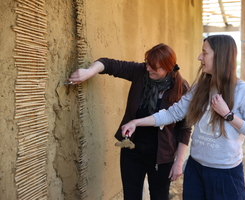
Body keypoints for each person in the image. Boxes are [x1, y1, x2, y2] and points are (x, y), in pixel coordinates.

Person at [121, 34, 245, 200]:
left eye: (204, 53)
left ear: (220, 56)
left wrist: (228, 115)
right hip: (195, 169)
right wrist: (136, 122)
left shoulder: (244, 91)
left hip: (225, 174)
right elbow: (172, 113)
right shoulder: (200, 88)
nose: (199, 57)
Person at [68, 43, 191, 200]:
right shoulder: (140, 72)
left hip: (162, 156)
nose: (148, 69)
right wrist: (88, 72)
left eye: (154, 67)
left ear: (167, 68)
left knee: (160, 197)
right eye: (147, 63)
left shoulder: (182, 89)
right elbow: (108, 64)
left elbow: (185, 129)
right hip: (132, 150)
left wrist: (178, 162)